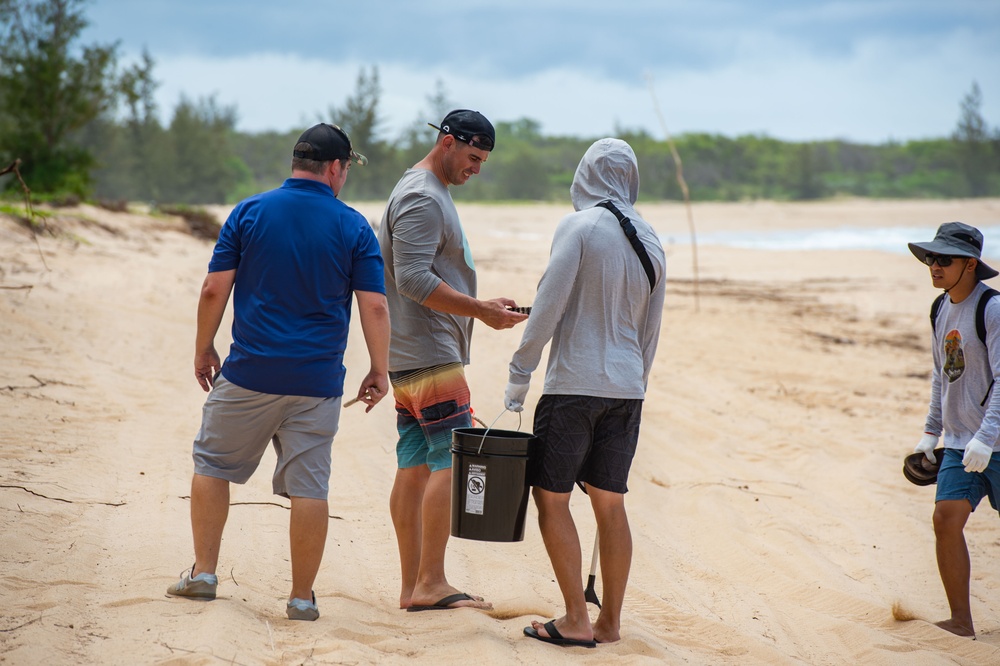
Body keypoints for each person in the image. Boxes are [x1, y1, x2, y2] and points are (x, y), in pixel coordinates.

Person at [165, 123, 390, 621]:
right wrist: (380, 368)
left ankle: (204, 573)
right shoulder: (353, 226)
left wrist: (204, 348)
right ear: (335, 168)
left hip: (249, 374)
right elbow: (373, 305)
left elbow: (212, 290)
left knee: (212, 464)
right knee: (310, 487)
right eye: (347, 168)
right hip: (317, 383)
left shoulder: (249, 211)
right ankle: (301, 597)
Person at [504, 138, 665, 647]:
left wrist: (519, 371)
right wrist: (635, 381)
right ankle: (609, 624)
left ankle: (576, 618)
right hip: (627, 387)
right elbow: (650, 330)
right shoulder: (652, 238)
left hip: (574, 385)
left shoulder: (579, 226)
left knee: (550, 499)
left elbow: (547, 304)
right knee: (610, 503)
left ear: (586, 174)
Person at [377, 109, 527, 611]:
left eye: (482, 160)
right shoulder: (422, 195)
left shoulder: (420, 189)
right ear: (447, 142)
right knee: (449, 459)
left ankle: (413, 586)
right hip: (429, 352)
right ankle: (431, 581)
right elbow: (413, 279)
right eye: (472, 156)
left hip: (410, 353)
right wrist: (480, 311)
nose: (476, 168)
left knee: (415, 462)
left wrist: (481, 306)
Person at [908, 221, 1000, 638]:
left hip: (992, 442)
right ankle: (961, 622)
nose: (934, 265)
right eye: (931, 257)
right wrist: (931, 434)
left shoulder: (992, 310)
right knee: (946, 519)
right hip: (961, 442)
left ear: (970, 265)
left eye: (944, 259)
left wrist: (987, 438)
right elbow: (941, 375)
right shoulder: (940, 308)